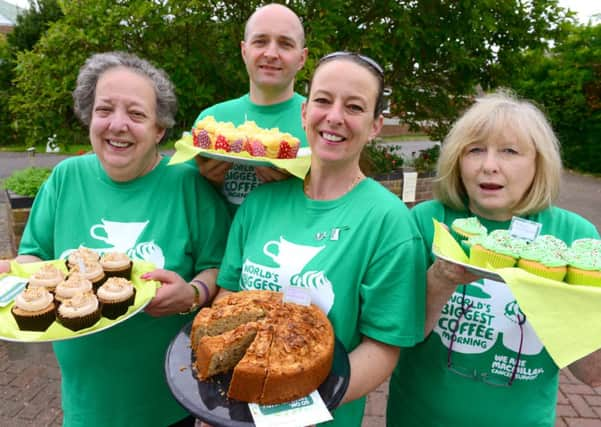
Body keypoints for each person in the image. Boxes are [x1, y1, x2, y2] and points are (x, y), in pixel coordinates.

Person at [0, 51, 231, 427]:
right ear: (89, 117)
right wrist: (10, 274)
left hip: (171, 401)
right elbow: (36, 259)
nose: (117, 124)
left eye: (137, 114)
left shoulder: (187, 185)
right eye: (104, 109)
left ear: (159, 129)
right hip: (86, 403)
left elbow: (217, 267)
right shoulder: (65, 178)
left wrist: (191, 295)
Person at [215, 51, 427, 427]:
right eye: (323, 100)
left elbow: (382, 346)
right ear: (304, 112)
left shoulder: (388, 222)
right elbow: (229, 296)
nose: (334, 117)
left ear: (376, 125)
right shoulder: (260, 202)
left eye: (355, 107)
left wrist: (301, 404)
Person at [387, 90, 601, 427]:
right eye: (475, 150)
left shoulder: (574, 238)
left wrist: (565, 305)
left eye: (510, 151)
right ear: (457, 159)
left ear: (538, 162)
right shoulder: (427, 222)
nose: (489, 166)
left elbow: (591, 372)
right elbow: (397, 336)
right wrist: (439, 282)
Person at [193, 3, 308, 211]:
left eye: (285, 44)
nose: (271, 53)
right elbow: (187, 200)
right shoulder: (211, 120)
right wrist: (209, 184)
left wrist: (294, 188)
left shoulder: (318, 123)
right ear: (244, 51)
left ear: (302, 58)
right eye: (260, 41)